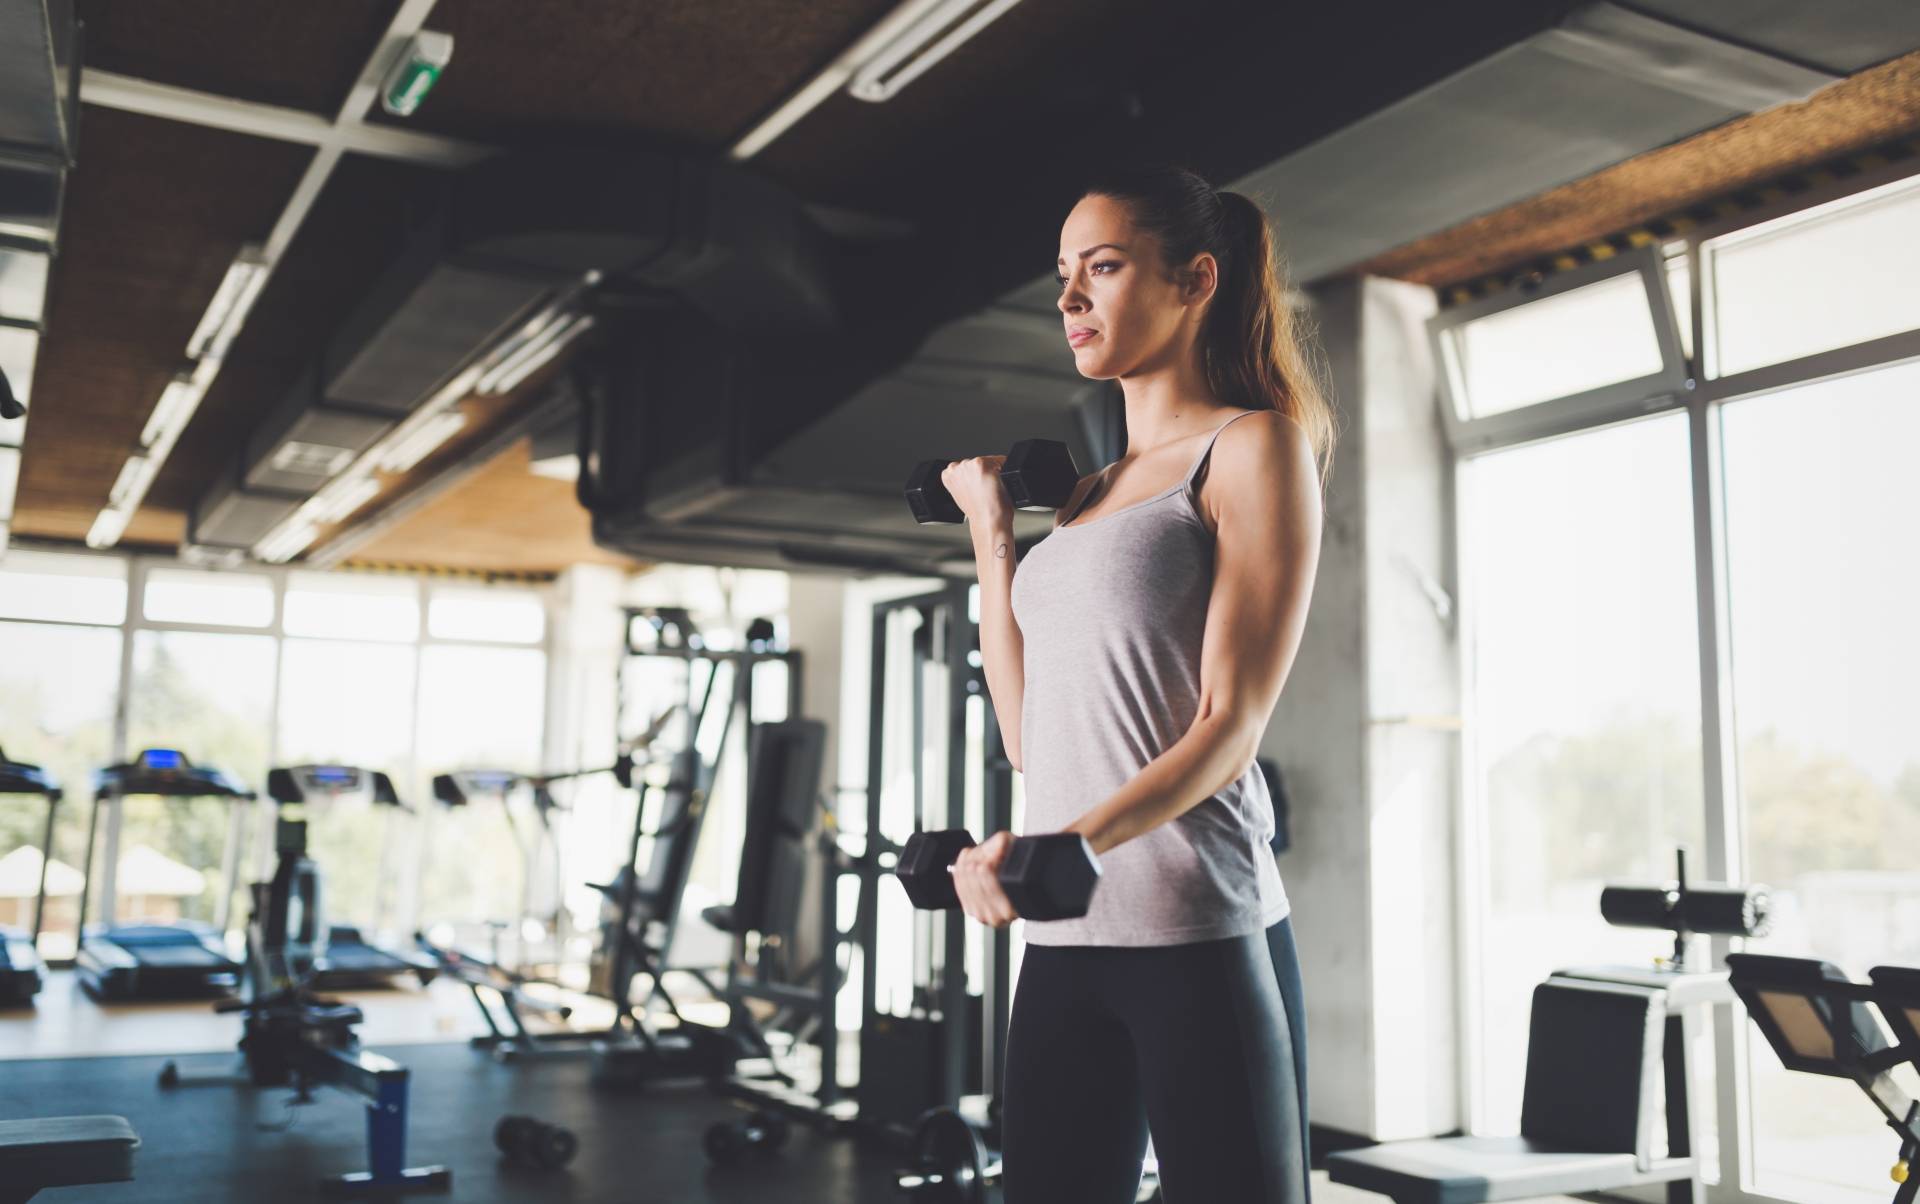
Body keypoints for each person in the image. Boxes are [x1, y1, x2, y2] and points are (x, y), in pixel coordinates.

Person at [938, 162, 1335, 1203]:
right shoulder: (1087, 496)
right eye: (1063, 274)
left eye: (1102, 268)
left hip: (1196, 928)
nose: (1068, 299)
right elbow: (1031, 742)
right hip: (1068, 934)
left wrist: (1066, 843)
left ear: (1195, 279)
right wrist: (994, 540)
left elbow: (1227, 724)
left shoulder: (1252, 449)